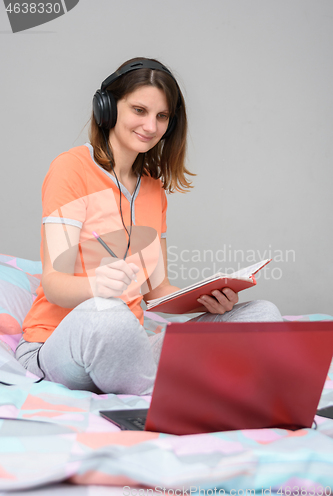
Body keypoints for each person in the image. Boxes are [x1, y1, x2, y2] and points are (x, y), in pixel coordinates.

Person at [15, 57, 283, 395]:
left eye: (162, 116)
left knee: (261, 315)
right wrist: (96, 287)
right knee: (110, 315)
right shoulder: (71, 168)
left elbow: (157, 294)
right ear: (107, 108)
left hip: (128, 350)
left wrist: (208, 298)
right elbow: (54, 285)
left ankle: (164, 387)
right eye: (139, 110)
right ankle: (180, 395)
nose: (151, 126)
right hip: (59, 344)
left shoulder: (153, 189)